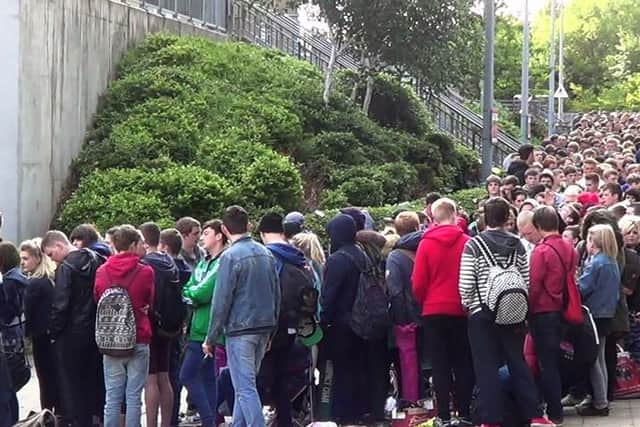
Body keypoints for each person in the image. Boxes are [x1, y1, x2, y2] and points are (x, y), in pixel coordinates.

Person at [458, 198, 553, 427]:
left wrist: (469, 305)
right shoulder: (518, 244)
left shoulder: (474, 244)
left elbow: (467, 281)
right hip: (512, 311)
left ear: (485, 219)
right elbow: (525, 277)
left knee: (486, 366)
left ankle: (492, 419)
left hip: (482, 313)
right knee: (517, 361)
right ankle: (535, 415)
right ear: (507, 219)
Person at [203, 206, 280, 427]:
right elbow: (277, 293)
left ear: (225, 230)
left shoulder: (229, 257)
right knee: (244, 385)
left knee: (245, 387)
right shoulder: (266, 253)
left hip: (240, 329)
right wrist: (272, 330)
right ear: (248, 226)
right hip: (264, 327)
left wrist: (211, 337)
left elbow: (221, 301)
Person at [412, 199, 474, 427]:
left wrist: (425, 301)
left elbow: (418, 282)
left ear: (433, 218)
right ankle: (465, 413)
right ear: (455, 214)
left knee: (439, 364)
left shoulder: (426, 245)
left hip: (433, 310)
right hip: (461, 309)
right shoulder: (468, 242)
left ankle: (444, 416)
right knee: (463, 362)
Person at [94, 225, 155, 427]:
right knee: (133, 397)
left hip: (111, 340)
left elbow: (97, 299)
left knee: (112, 398)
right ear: (133, 244)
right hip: (139, 336)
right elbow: (149, 301)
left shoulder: (102, 271)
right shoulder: (146, 271)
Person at [41, 230, 104, 427]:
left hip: (71, 334)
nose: (52, 260)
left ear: (59, 246)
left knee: (73, 384)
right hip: (96, 330)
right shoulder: (97, 259)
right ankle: (96, 418)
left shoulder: (65, 268)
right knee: (93, 380)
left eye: (51, 254)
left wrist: (53, 331)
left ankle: (79, 421)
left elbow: (60, 305)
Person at [259, 212, 312, 427]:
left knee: (260, 379)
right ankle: (285, 420)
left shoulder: (268, 256)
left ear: (262, 234)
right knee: (282, 378)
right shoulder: (299, 257)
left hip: (275, 327)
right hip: (297, 324)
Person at [529, 206, 577, 426]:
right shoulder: (569, 248)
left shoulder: (541, 252)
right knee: (557, 361)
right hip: (563, 311)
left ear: (538, 227)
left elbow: (535, 285)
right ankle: (558, 405)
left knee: (547, 364)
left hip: (543, 312)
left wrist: (526, 310)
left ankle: (555, 412)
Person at [319, 213, 368, 423]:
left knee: (341, 370)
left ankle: (341, 413)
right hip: (364, 320)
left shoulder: (337, 259)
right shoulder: (362, 254)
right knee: (359, 368)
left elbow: (329, 297)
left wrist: (322, 321)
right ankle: (360, 409)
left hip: (341, 324)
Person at [577, 224, 621, 416]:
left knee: (594, 360)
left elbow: (583, 288)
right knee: (600, 358)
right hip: (607, 314)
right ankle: (601, 398)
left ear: (593, 242)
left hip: (594, 313)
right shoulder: (612, 262)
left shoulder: (596, 263)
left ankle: (600, 402)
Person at [140, 222, 180, 427]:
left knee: (151, 379)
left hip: (151, 324)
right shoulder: (170, 263)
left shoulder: (146, 265)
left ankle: (151, 425)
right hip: (169, 326)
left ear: (144, 242)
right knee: (165, 377)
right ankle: (167, 423)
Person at [158, 228, 192, 426]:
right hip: (178, 328)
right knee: (173, 375)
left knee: (159, 377)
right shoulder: (185, 269)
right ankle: (171, 420)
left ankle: (164, 419)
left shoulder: (161, 270)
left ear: (164, 246)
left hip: (160, 328)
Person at [387, 211, 423, 404]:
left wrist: (400, 320)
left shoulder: (395, 256)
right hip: (432, 314)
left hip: (408, 319)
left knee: (409, 362)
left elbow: (395, 291)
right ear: (417, 227)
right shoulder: (427, 246)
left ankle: (412, 402)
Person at [19, 239, 57, 411]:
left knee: (45, 381)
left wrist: (25, 335)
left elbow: (29, 313)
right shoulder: (49, 279)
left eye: (26, 258)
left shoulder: (34, 283)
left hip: (41, 337)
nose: (22, 262)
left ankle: (46, 414)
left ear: (37, 258)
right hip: (52, 336)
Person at [0, 242, 28, 423]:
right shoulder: (20, 277)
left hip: (7, 337)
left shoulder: (8, 282)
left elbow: (7, 310)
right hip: (17, 335)